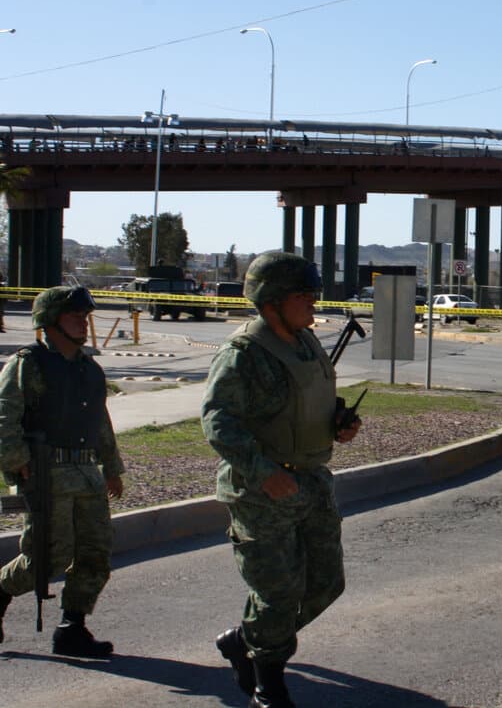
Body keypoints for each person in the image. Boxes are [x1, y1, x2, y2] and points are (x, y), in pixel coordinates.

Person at [202, 252, 361, 708]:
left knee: (326, 583)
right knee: (275, 594)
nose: (314, 301)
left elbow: (304, 403)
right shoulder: (244, 354)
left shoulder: (305, 342)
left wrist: (338, 422)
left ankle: (244, 641)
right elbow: (218, 421)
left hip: (311, 481)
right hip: (261, 491)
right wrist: (262, 471)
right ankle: (267, 679)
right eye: (303, 294)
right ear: (272, 302)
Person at [0, 286, 125, 657]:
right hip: (46, 472)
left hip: (86, 471)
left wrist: (112, 468)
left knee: (94, 553)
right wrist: (16, 462)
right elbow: (5, 415)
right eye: (73, 316)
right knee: (48, 556)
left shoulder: (89, 369)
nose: (82, 323)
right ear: (50, 322)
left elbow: (100, 421)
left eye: (84, 316)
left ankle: (73, 627)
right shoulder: (29, 364)